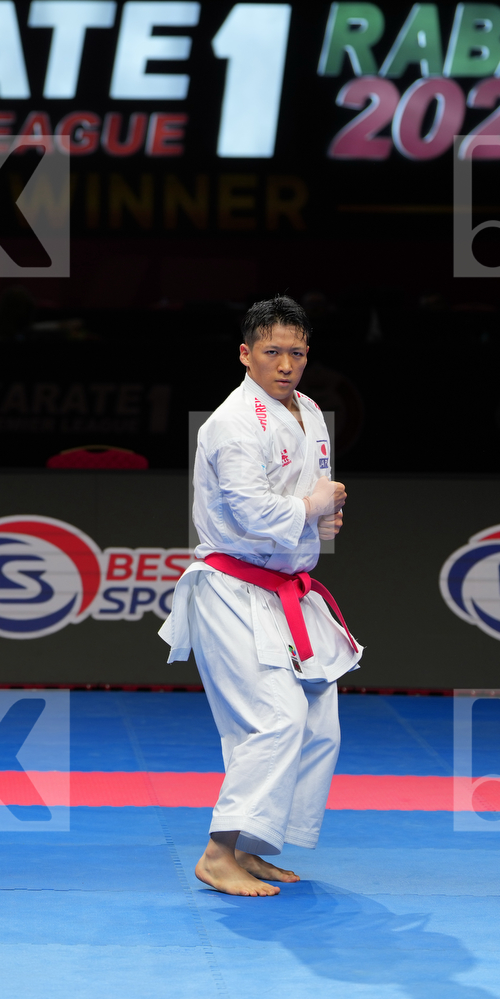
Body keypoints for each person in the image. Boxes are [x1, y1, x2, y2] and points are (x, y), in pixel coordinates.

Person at [158, 295, 361, 897]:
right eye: (272, 351)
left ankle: (251, 846)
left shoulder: (312, 413)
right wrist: (312, 508)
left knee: (320, 720)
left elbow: (310, 492)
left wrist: (321, 523)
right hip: (233, 589)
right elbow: (250, 511)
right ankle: (218, 852)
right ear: (246, 354)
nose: (286, 363)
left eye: (296, 352)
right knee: (276, 717)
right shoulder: (230, 424)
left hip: (285, 590)